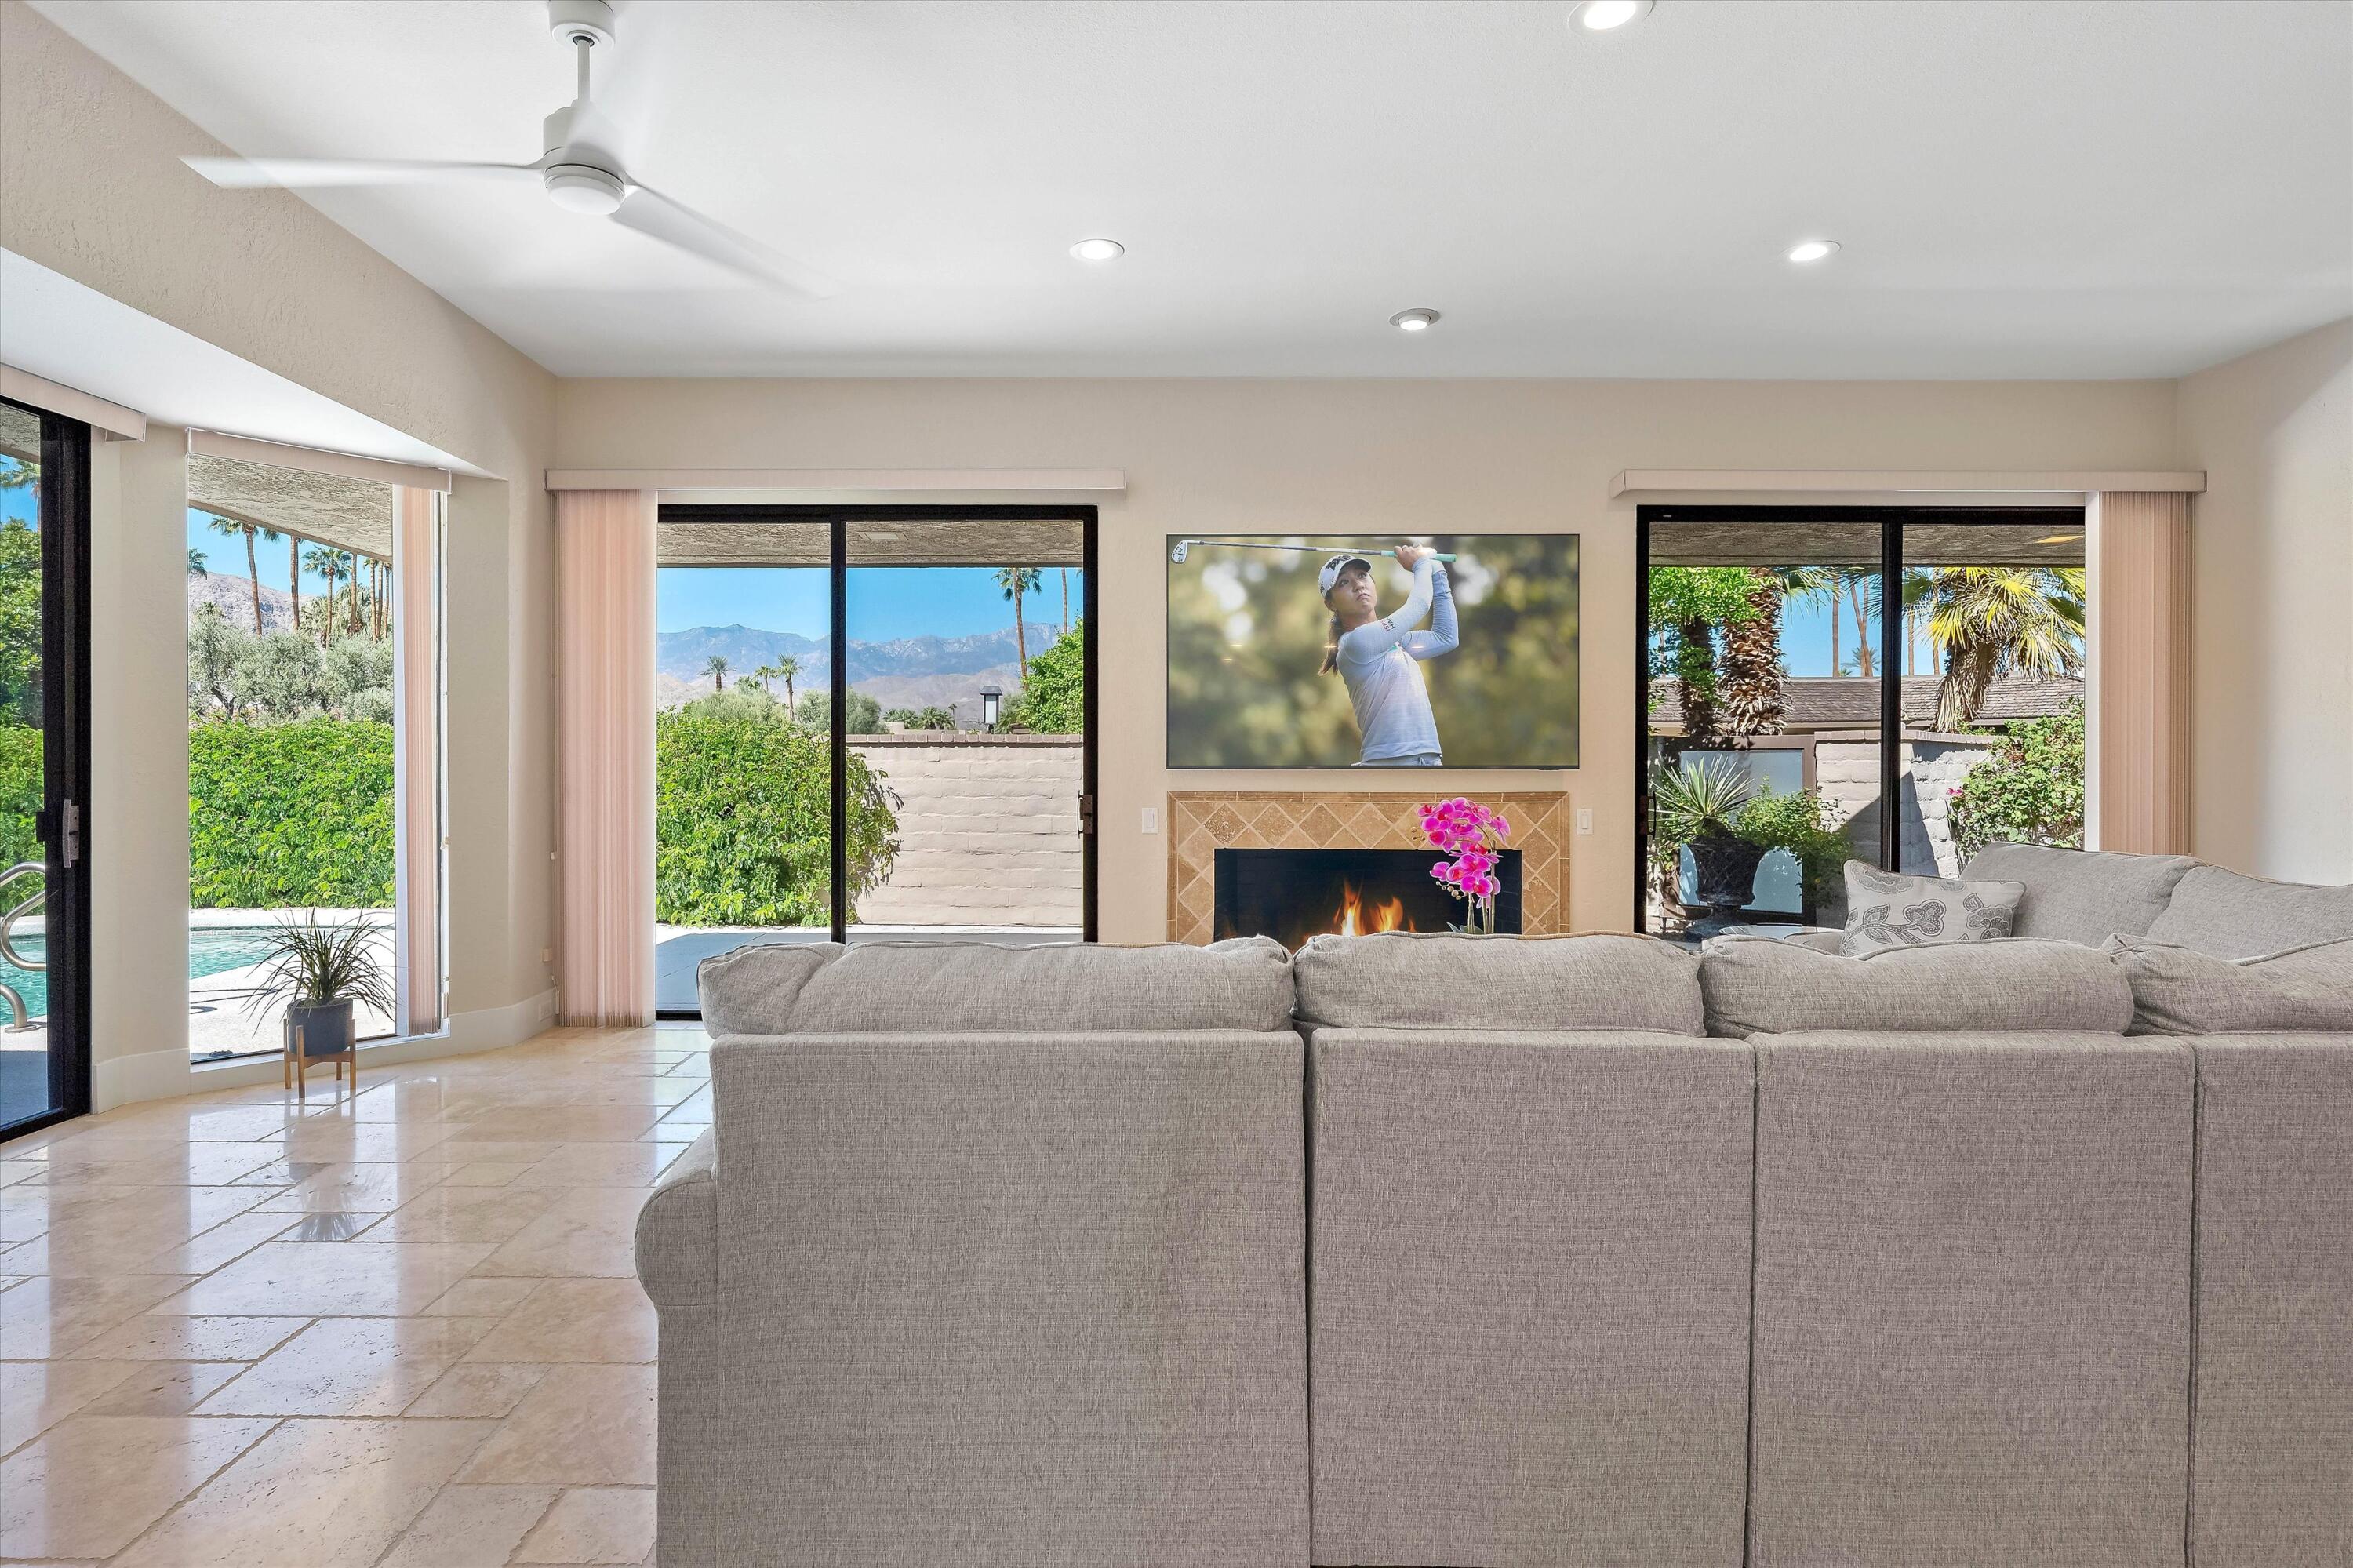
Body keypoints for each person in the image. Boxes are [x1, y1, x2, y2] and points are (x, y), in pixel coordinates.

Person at [1317, 543, 1458, 766]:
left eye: (1362, 576)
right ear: (1330, 604)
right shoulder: (1355, 643)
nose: (1357, 585)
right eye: (1343, 582)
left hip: (1428, 760)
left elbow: (1446, 637)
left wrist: (1437, 569)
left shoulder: (1396, 641)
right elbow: (1419, 605)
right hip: (1390, 764)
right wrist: (1421, 564)